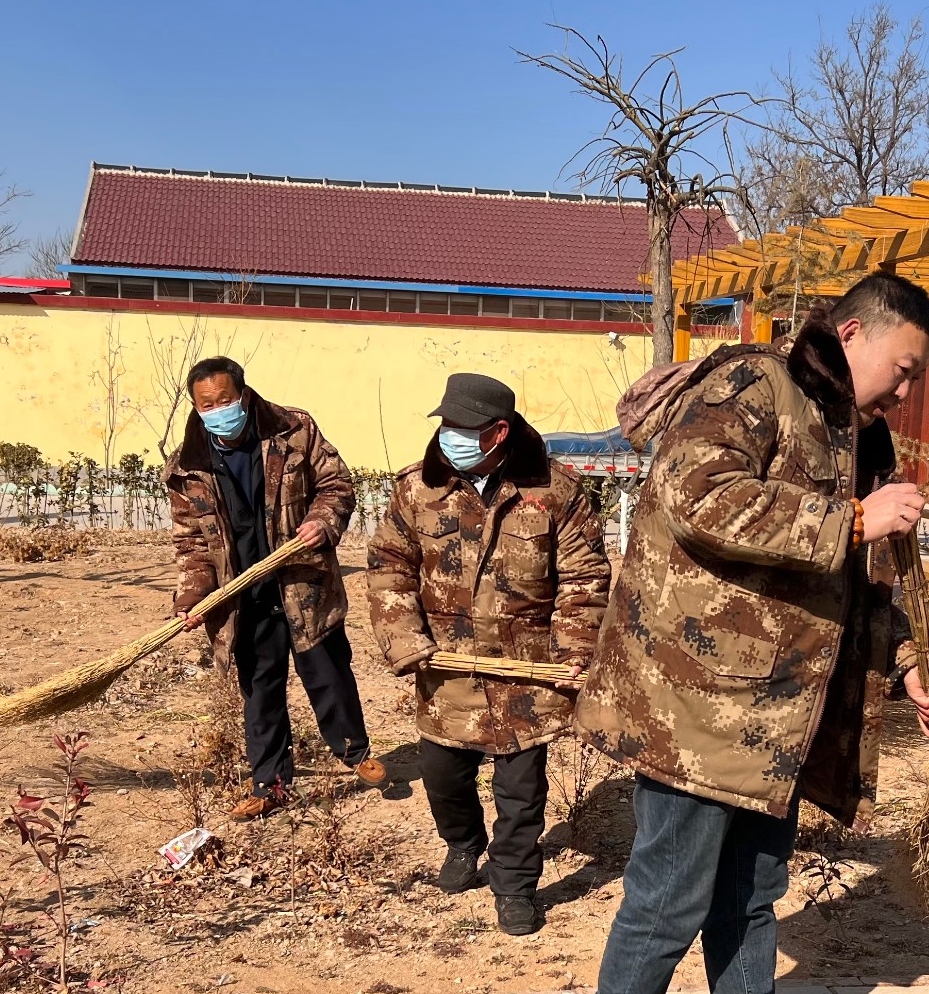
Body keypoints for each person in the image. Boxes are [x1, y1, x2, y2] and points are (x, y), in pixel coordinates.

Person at [571, 271, 929, 994]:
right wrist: (852, 519)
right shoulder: (754, 385)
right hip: (696, 701)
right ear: (852, 333)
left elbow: (868, 583)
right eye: (900, 368)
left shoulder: (856, 435)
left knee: (751, 889)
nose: (904, 390)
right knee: (670, 891)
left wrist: (904, 664)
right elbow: (696, 496)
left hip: (780, 712)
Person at [365, 374, 610, 936]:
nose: (448, 437)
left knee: (521, 795)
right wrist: (405, 639)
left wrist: (574, 650)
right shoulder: (417, 490)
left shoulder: (556, 493)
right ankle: (462, 844)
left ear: (498, 433)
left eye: (461, 428)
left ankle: (516, 885)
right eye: (445, 425)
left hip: (528, 675)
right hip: (446, 669)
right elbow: (388, 566)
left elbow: (584, 578)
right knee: (441, 774)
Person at [166, 357, 385, 820]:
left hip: (302, 582)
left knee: (328, 674)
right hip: (243, 596)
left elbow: (337, 484)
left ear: (244, 395)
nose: (217, 409)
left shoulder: (293, 429)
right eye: (207, 404)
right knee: (261, 690)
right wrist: (194, 596)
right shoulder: (187, 466)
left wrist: (321, 521)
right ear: (196, 407)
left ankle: (354, 750)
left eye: (225, 400)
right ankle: (271, 783)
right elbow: (190, 543)